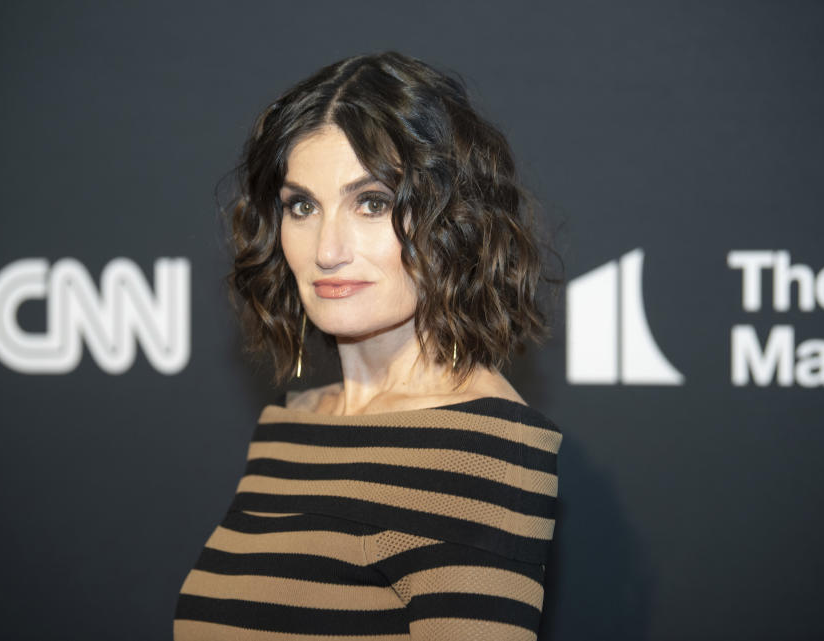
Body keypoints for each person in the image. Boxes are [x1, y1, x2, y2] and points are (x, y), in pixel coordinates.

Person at [174, 51, 564, 640]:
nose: (327, 249)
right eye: (301, 206)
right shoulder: (291, 423)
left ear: (450, 219)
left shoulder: (479, 449)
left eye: (372, 203)